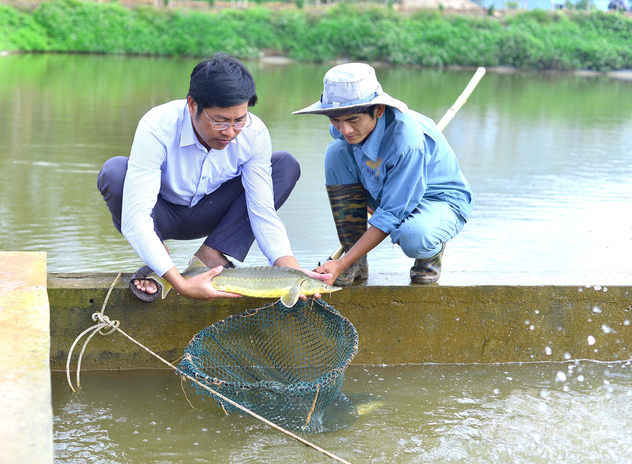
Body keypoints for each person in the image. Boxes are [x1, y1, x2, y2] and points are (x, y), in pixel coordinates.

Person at [98, 53, 326, 302]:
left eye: (239, 120)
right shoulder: (157, 126)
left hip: (209, 214)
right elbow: (136, 218)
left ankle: (211, 256)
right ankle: (161, 263)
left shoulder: (255, 133)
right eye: (220, 121)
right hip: (160, 215)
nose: (230, 132)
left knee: (284, 165)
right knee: (115, 172)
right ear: (193, 105)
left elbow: (262, 212)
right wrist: (183, 285)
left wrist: (294, 276)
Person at [293, 63, 473, 285]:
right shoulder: (345, 127)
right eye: (335, 120)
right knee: (336, 151)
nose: (344, 129)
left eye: (353, 120)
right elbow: (351, 155)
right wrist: (349, 258)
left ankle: (430, 255)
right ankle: (356, 263)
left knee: (414, 236)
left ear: (378, 110)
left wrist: (340, 263)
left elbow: (390, 213)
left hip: (437, 201)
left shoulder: (407, 143)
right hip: (386, 188)